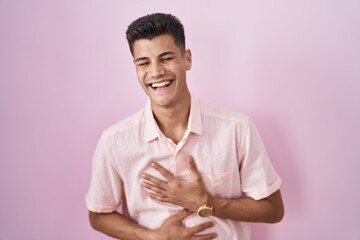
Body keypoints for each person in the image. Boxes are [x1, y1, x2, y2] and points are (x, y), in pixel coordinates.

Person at [86, 13, 284, 240]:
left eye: (166, 58)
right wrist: (151, 237)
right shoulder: (114, 141)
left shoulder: (237, 129)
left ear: (187, 59)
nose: (156, 71)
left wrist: (205, 202)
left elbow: (273, 209)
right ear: (135, 68)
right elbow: (98, 214)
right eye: (144, 63)